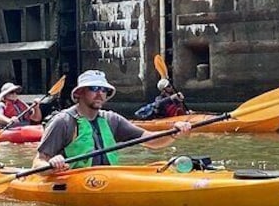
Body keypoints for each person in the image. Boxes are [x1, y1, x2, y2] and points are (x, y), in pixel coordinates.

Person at [34, 70, 192, 170]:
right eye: (94, 89)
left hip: (108, 179)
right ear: (79, 93)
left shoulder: (112, 119)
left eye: (104, 90)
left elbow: (150, 140)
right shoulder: (63, 122)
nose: (100, 93)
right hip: (73, 181)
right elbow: (38, 162)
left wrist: (173, 133)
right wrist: (51, 164)